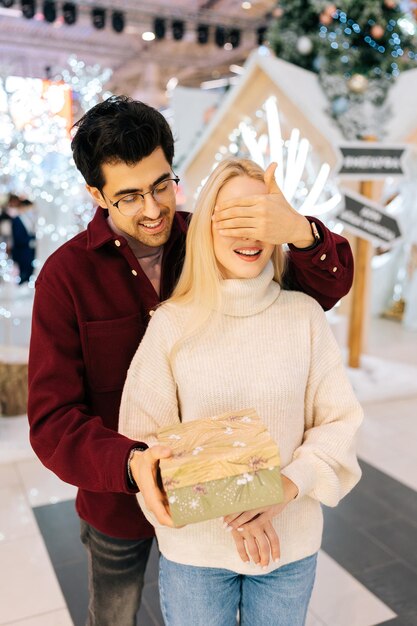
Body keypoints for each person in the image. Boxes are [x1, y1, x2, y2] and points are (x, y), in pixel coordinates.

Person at [28, 95, 354, 626]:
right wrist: (133, 464)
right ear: (96, 193)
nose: (154, 209)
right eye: (129, 196)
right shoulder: (66, 279)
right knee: (114, 616)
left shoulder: (206, 235)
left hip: (233, 509)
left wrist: (300, 232)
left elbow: (319, 291)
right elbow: (51, 422)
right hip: (124, 500)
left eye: (161, 185)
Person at [118, 158, 363, 626]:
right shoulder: (172, 323)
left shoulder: (304, 316)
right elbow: (144, 440)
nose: (249, 233)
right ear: (205, 225)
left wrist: (286, 486)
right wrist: (236, 496)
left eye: (260, 215)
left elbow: (339, 422)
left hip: (288, 547)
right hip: (196, 553)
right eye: (233, 216)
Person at [11, 198, 37, 284]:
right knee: (23, 274)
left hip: (30, 251)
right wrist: (29, 241)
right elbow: (17, 237)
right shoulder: (17, 220)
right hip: (21, 251)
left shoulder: (30, 219)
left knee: (29, 271)